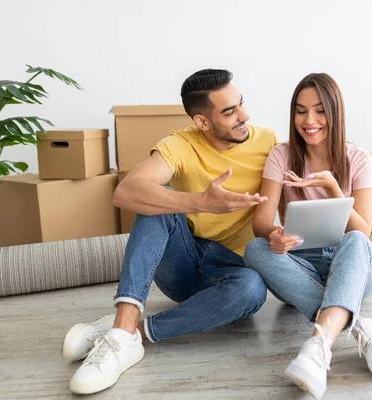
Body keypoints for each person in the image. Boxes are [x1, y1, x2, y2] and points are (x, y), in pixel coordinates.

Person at [61, 69, 278, 395]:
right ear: (202, 122)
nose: (243, 116)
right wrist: (201, 201)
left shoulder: (269, 141)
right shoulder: (179, 144)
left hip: (231, 271)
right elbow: (125, 192)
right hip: (183, 262)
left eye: (241, 104)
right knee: (155, 204)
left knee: (253, 289)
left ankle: (129, 333)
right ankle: (123, 326)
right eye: (229, 111)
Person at [244, 73, 372, 399]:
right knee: (255, 250)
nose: (309, 120)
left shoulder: (358, 159)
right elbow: (260, 221)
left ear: (334, 112)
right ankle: (358, 327)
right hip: (301, 266)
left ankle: (318, 348)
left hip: (352, 265)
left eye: (319, 110)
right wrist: (275, 235)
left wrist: (331, 186)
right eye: (301, 111)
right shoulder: (281, 155)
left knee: (356, 241)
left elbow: (363, 230)